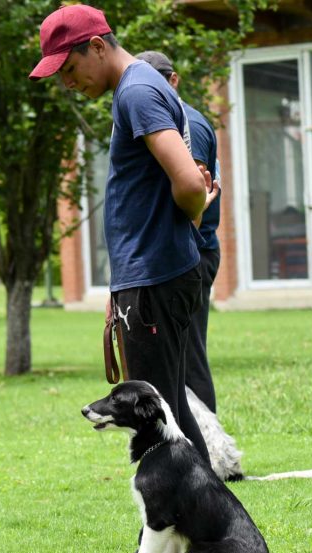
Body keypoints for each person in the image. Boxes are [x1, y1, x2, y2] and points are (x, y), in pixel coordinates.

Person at [30, 5, 218, 553]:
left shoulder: (136, 91)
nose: (67, 82)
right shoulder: (142, 88)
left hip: (155, 277)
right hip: (154, 275)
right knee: (176, 416)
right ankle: (207, 545)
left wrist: (186, 220)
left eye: (69, 68)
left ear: (97, 46)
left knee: (157, 425)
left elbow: (189, 182)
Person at [135, 50, 221, 413]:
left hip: (192, 252)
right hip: (173, 253)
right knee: (174, 359)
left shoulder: (191, 126)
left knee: (189, 359)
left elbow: (194, 192)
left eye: (157, 84)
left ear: (174, 81)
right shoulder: (163, 124)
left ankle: (210, 442)